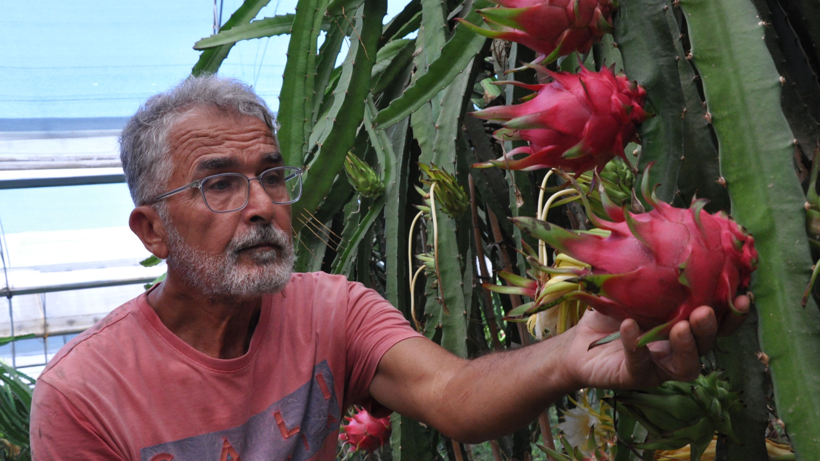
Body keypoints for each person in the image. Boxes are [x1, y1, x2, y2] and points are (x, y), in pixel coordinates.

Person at [29, 75, 748, 460]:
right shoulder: (83, 393)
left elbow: (456, 392)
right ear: (151, 229)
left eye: (272, 175)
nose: (261, 205)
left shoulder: (327, 307)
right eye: (219, 182)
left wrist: (570, 354)